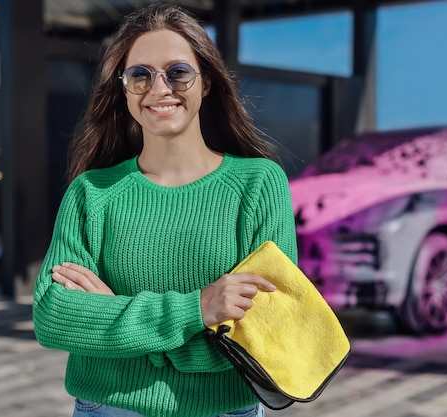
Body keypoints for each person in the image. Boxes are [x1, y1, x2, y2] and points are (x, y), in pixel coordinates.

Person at [32, 3, 297, 417]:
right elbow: (54, 315)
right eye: (140, 75)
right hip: (109, 409)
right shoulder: (92, 192)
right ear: (123, 88)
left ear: (206, 81)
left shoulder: (257, 184)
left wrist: (117, 318)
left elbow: (267, 329)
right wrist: (197, 309)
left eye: (177, 72)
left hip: (225, 411)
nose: (159, 89)